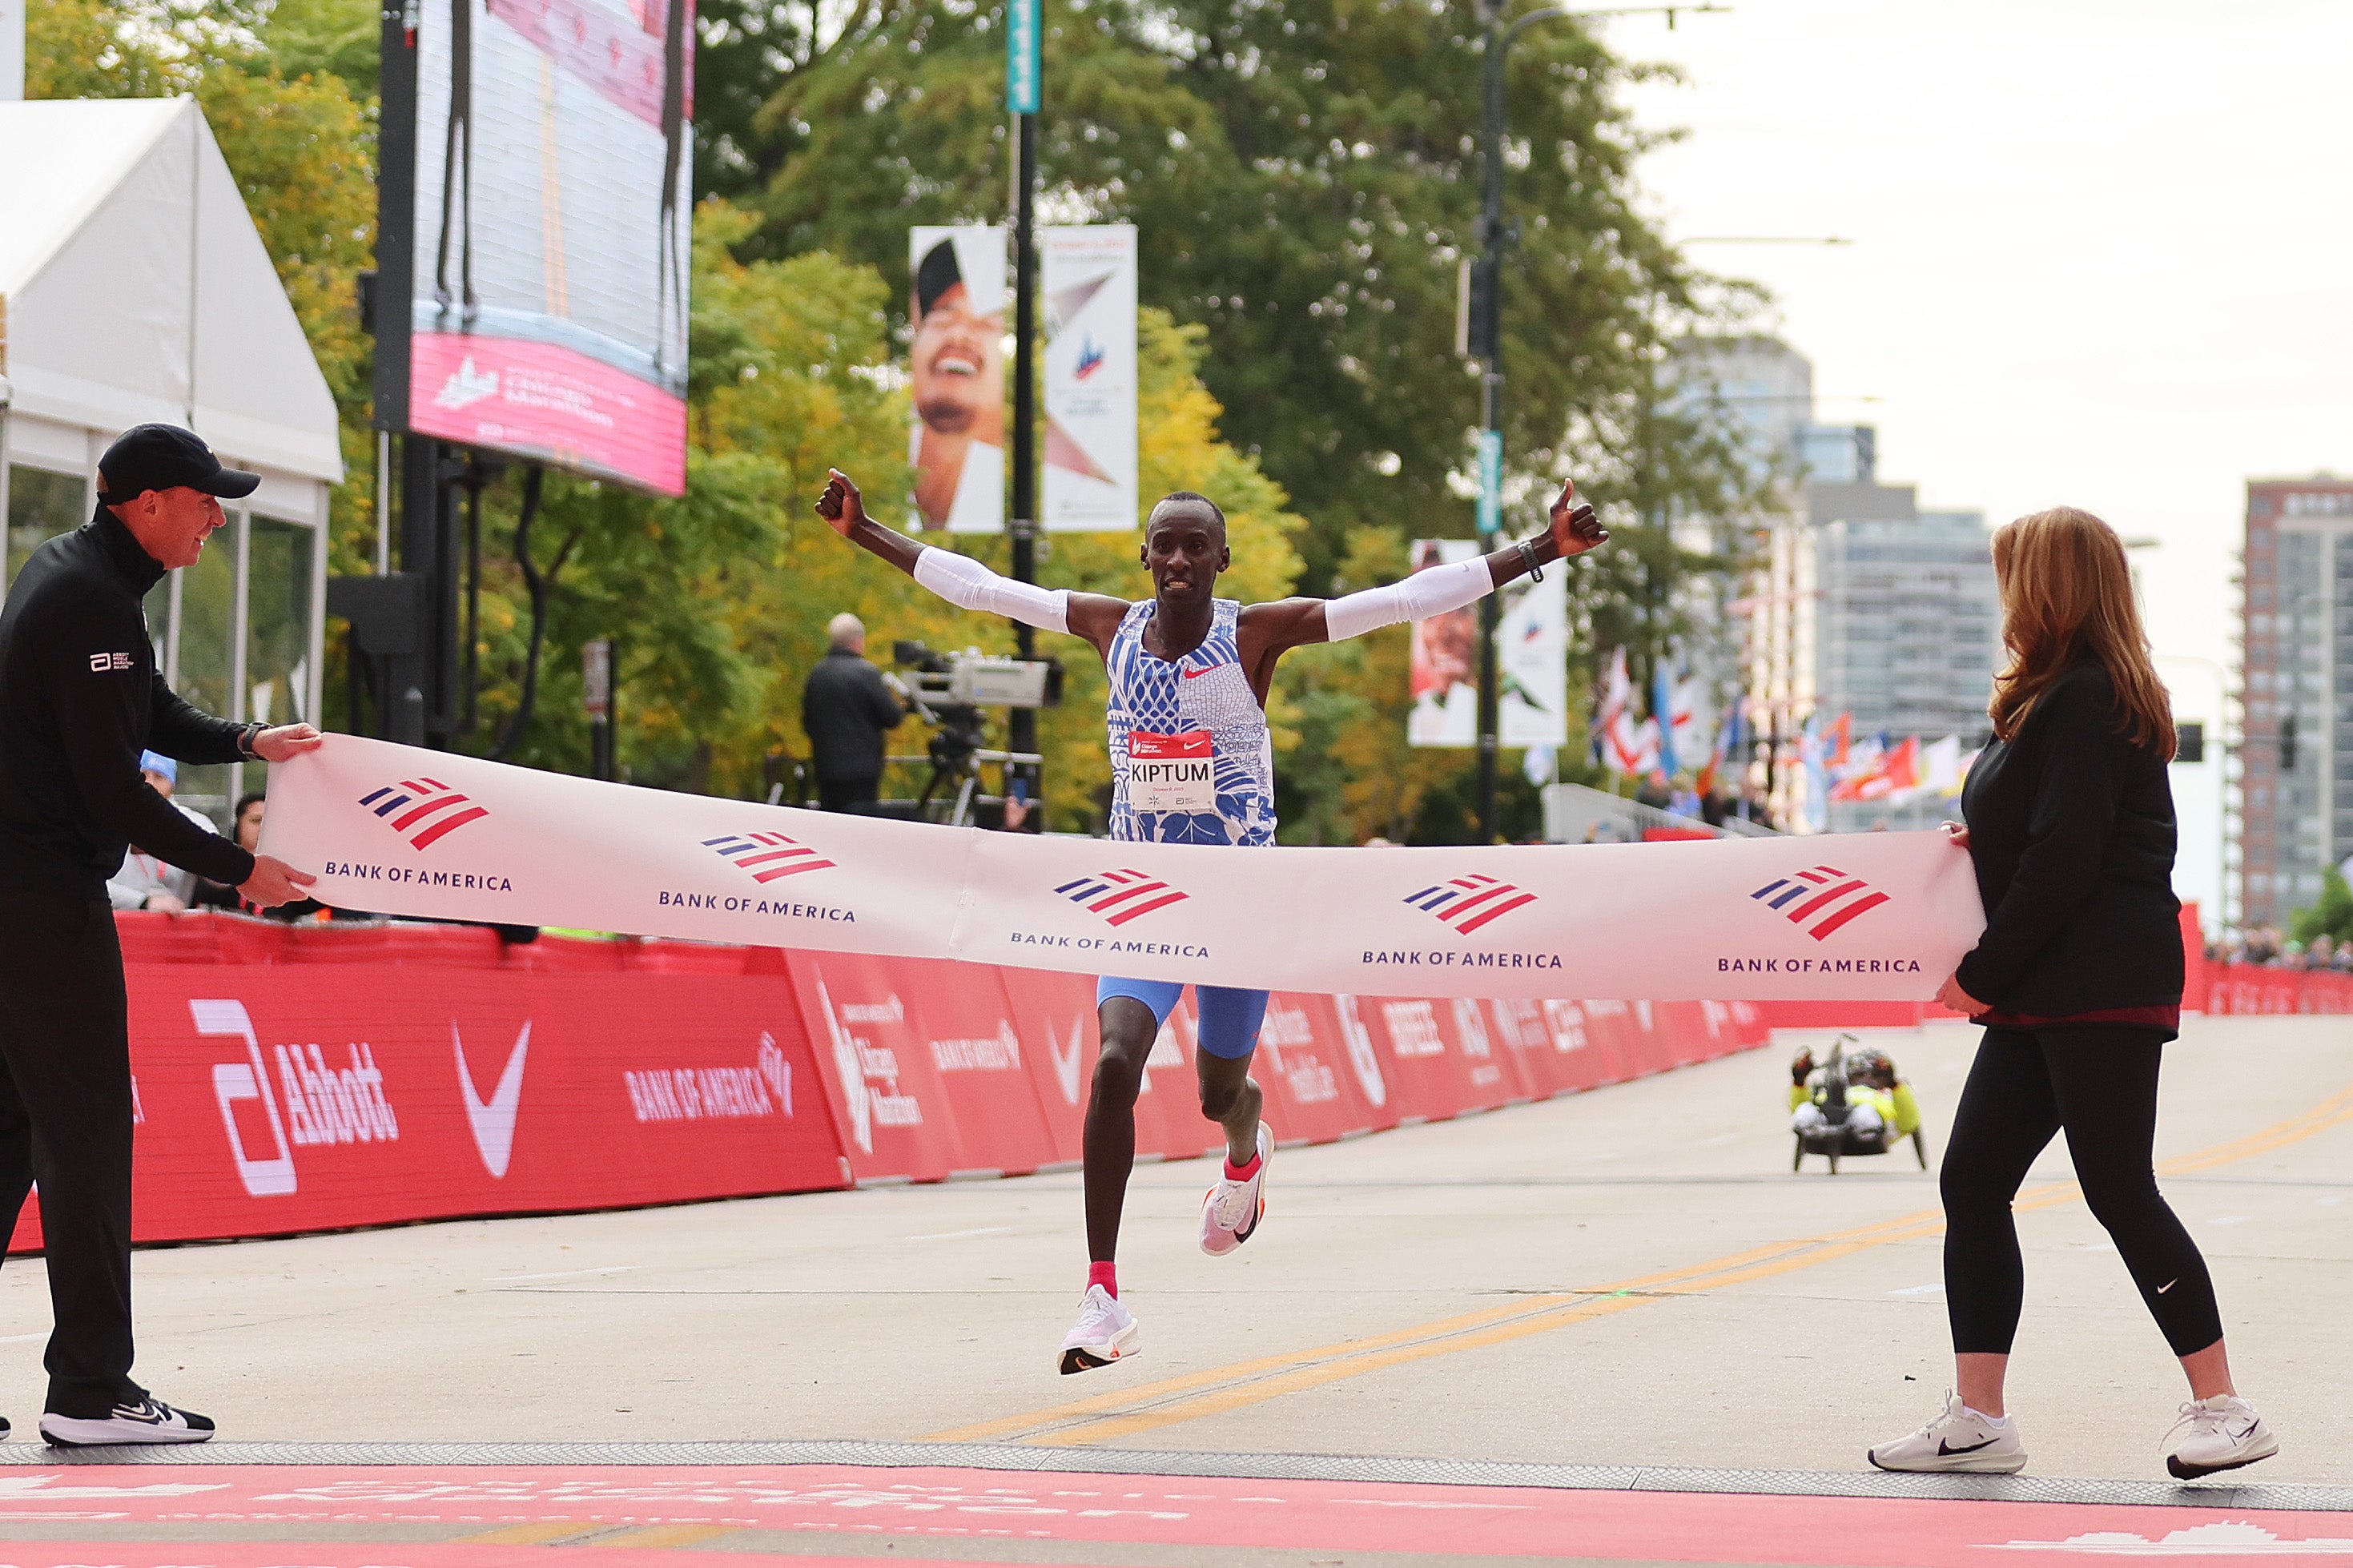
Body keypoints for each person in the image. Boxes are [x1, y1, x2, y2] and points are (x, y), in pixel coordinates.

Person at [816, 464, 1609, 1373]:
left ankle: (1245, 1145)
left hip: (1237, 908)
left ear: (1221, 559)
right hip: (1141, 902)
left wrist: (1543, 548)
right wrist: (866, 531)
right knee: (1114, 1062)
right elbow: (983, 588)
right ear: (1145, 557)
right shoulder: (1109, 628)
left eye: (1198, 545)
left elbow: (1402, 599)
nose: (1180, 558)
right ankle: (1102, 1296)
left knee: (1215, 1092)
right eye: (1167, 544)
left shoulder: (1254, 638)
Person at [1868, 506, 2275, 1482]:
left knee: (2116, 1185)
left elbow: (2066, 856)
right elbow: (2039, 832)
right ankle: (1977, 1416)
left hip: (2095, 975)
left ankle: (2225, 1407)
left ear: (2048, 586)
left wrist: (1980, 967)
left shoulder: (2088, 697)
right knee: (1971, 1178)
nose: (2004, 593)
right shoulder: (2056, 698)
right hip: (2053, 980)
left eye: (2015, 574)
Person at [0, 423, 319, 1446]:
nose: (217, 515)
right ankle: (91, 1389)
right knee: (86, 1132)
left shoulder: (77, 572)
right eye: (203, 499)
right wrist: (240, 869)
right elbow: (111, 789)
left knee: (9, 1135)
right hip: (39, 897)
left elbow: (141, 711)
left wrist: (242, 741)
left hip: (14, 892)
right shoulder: (92, 596)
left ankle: (88, 1380)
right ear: (144, 502)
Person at [908, 235, 1006, 531]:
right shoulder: (873, 473)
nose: (960, 336)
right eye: (942, 318)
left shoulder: (1007, 487)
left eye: (984, 324)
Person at [800, 613, 910, 813]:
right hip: (862, 771)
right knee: (860, 824)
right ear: (858, 641)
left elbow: (808, 723)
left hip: (826, 768)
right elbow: (892, 717)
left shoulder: (817, 675)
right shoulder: (866, 673)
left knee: (831, 823)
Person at [104, 754, 219, 914]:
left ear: (172, 784)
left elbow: (221, 876)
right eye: (142, 775)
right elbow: (86, 882)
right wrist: (142, 901)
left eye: (159, 777)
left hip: (173, 928)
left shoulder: (195, 822)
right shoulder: (104, 820)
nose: (149, 783)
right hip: (117, 923)